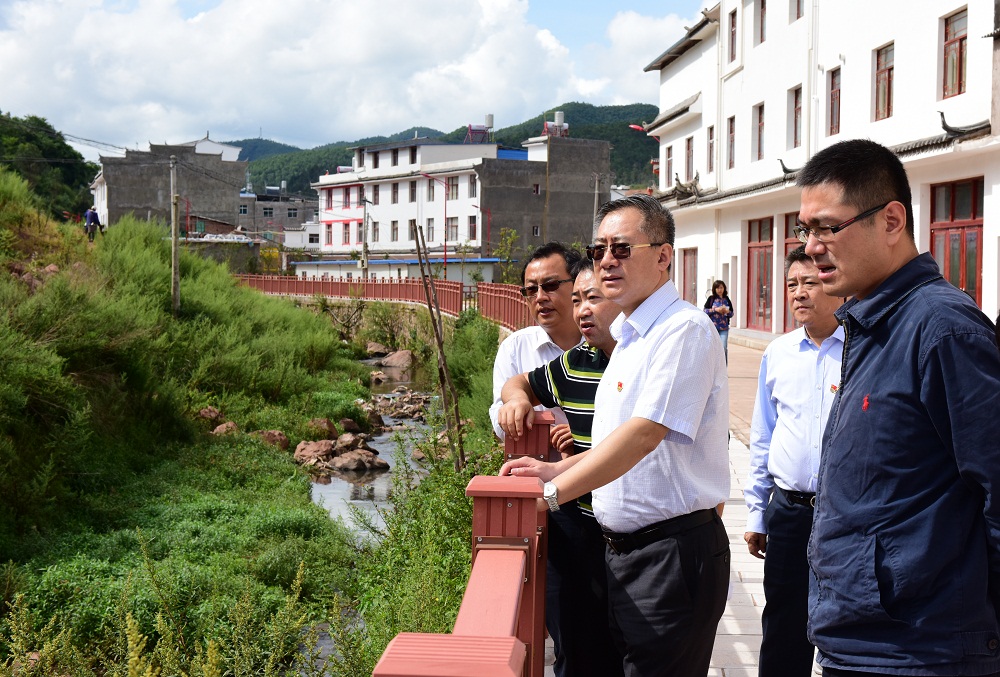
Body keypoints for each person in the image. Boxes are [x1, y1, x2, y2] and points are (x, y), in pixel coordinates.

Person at [500, 194, 731, 677]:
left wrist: (552, 493)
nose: (606, 260)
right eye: (599, 249)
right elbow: (613, 442)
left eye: (622, 249)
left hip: (669, 553)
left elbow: (644, 435)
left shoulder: (682, 330)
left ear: (663, 256)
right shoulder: (629, 336)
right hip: (624, 552)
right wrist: (556, 469)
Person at [796, 139, 1000, 676]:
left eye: (827, 228)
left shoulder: (942, 329)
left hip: (921, 651)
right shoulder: (870, 322)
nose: (812, 247)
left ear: (891, 220)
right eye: (805, 229)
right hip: (858, 639)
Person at [497, 260, 625, 677]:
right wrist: (519, 400)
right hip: (577, 516)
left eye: (593, 298)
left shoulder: (641, 359)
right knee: (575, 639)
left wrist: (554, 478)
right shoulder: (575, 362)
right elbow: (518, 384)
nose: (583, 309)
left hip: (630, 522)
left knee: (624, 645)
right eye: (579, 300)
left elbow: (636, 444)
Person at [743, 245, 843, 677]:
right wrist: (756, 513)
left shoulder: (862, 350)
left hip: (845, 515)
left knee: (846, 624)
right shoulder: (778, 353)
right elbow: (762, 436)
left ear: (835, 284)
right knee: (784, 624)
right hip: (789, 512)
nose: (799, 293)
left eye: (810, 282)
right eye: (791, 284)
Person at [488, 241, 582, 677]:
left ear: (576, 285)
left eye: (550, 285)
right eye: (531, 289)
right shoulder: (518, 347)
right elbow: (500, 416)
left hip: (607, 495)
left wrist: (581, 434)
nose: (540, 297)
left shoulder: (605, 339)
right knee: (563, 615)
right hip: (546, 500)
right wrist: (519, 403)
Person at [704, 280, 734, 361]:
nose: (720, 290)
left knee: (723, 347)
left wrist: (727, 311)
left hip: (724, 328)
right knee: (712, 348)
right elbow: (705, 311)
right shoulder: (711, 299)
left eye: (721, 288)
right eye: (717, 288)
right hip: (713, 328)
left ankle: (723, 366)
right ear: (714, 289)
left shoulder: (726, 299)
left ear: (724, 288)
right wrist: (715, 310)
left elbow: (732, 313)